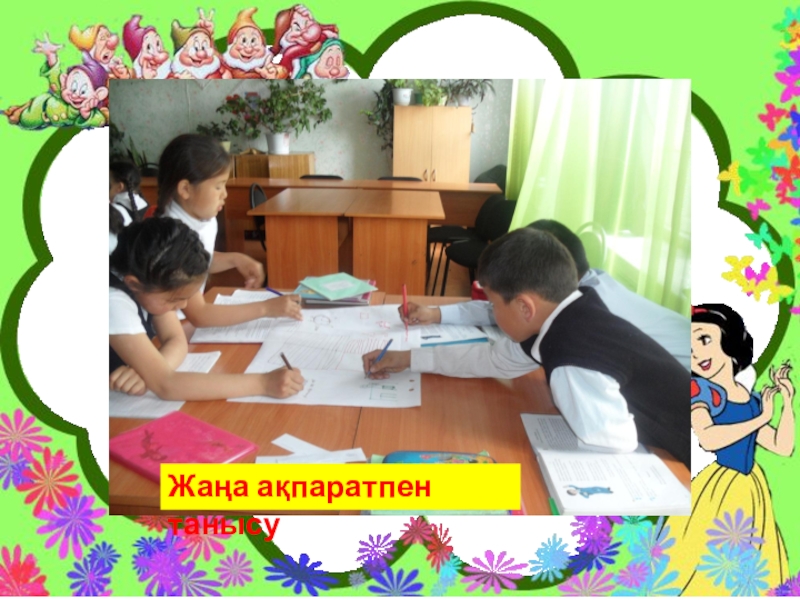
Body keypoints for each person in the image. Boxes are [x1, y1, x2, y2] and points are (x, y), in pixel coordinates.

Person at [365, 227, 690, 467]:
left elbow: (612, 443)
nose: (492, 313)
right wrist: (409, 358)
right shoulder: (567, 314)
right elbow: (492, 360)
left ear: (524, 307)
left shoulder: (571, 356)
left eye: (493, 304)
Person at [403, 219, 690, 371]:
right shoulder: (579, 291)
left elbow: (500, 357)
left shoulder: (584, 319)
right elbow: (499, 308)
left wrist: (411, 358)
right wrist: (435, 314)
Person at [664, 304, 792, 595]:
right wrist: (761, 418)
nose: (697, 353)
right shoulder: (700, 392)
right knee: (709, 567)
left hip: (753, 490)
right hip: (720, 490)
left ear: (730, 341)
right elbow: (709, 438)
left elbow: (782, 447)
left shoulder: (751, 398)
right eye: (690, 346)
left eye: (704, 339)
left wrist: (787, 401)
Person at [110, 218, 304, 400]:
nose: (183, 306)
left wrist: (148, 371)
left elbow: (176, 339)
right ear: (133, 284)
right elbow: (166, 385)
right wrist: (264, 383)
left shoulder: (149, 286)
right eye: (175, 299)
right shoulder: (113, 301)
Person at [155, 134, 301, 327]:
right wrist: (266, 308)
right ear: (185, 189)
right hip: (172, 328)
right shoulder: (172, 239)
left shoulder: (202, 217)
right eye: (218, 187)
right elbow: (200, 315)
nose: (225, 194)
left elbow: (198, 261)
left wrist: (236, 259)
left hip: (185, 322)